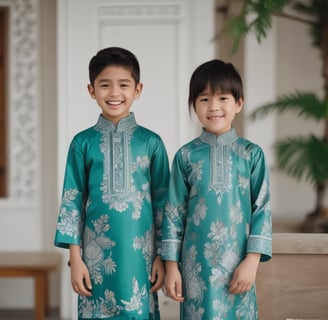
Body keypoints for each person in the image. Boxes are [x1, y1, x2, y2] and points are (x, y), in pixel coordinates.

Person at [54, 47, 170, 320]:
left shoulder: (151, 142)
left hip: (141, 257)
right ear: (91, 90)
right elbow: (73, 199)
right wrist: (76, 259)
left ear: (138, 89)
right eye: (105, 85)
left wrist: (161, 257)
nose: (114, 93)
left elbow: (164, 204)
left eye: (123, 85)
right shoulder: (82, 143)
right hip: (96, 258)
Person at [161, 59, 272, 319]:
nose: (214, 107)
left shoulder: (251, 155)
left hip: (239, 264)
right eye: (203, 99)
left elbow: (262, 209)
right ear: (193, 106)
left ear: (238, 104)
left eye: (222, 98)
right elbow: (173, 212)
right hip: (194, 265)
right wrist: (171, 267)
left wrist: (252, 261)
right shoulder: (185, 156)